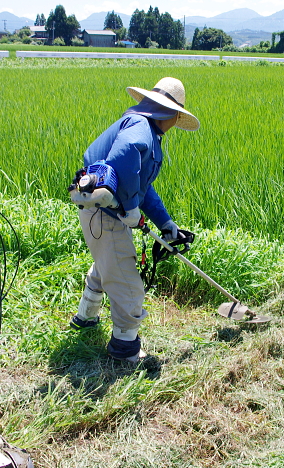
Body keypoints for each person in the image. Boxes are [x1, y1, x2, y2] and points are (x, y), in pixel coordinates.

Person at [71, 77, 199, 363]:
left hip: (101, 212)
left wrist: (165, 223)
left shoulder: (142, 126)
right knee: (127, 281)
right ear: (170, 114)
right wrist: (129, 208)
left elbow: (143, 186)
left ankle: (86, 316)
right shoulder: (141, 128)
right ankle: (125, 349)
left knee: (110, 262)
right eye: (176, 118)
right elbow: (125, 155)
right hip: (104, 213)